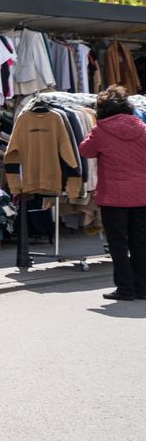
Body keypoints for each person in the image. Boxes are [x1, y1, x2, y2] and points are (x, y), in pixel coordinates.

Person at [78, 86, 146, 301]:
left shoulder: (100, 130)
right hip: (142, 194)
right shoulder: (143, 128)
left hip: (113, 197)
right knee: (140, 242)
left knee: (118, 243)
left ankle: (125, 289)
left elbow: (85, 150)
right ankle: (142, 288)